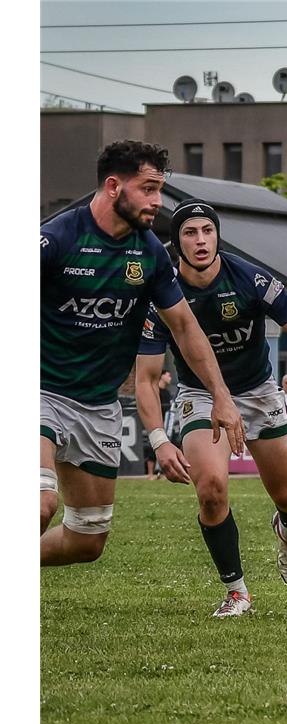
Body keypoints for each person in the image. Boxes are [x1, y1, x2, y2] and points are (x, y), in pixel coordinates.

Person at [134, 199, 287, 617]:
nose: (201, 240)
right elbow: (147, 378)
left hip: (259, 391)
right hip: (200, 395)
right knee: (210, 490)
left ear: (217, 235)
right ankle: (236, 592)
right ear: (176, 243)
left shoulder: (251, 278)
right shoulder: (162, 295)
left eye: (207, 230)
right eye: (190, 233)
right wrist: (158, 440)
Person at [41, 140, 245, 567]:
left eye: (159, 189)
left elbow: (186, 327)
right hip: (40, 393)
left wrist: (221, 395)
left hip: (98, 406)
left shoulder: (149, 251)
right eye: (149, 188)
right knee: (40, 504)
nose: (157, 200)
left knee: (85, 542)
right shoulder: (56, 239)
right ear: (114, 186)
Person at [143, 370, 174, 479]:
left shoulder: (167, 393)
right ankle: (151, 474)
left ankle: (164, 473)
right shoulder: (156, 391)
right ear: (162, 376)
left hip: (167, 422)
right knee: (152, 446)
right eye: (168, 375)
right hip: (156, 422)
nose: (170, 377)